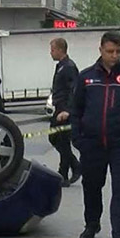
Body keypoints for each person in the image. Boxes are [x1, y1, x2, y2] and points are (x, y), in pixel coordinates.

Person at [65, 32, 120, 238]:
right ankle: (92, 224)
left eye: (118, 52)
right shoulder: (87, 77)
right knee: (92, 186)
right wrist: (77, 137)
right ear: (100, 49)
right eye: (110, 51)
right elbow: (76, 110)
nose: (114, 56)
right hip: (92, 143)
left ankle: (118, 237)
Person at [49, 37, 81, 187]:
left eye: (53, 49)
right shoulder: (61, 66)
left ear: (61, 50)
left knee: (62, 140)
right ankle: (75, 166)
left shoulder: (69, 66)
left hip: (64, 110)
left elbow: (74, 90)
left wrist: (68, 110)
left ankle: (64, 174)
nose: (51, 52)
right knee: (54, 138)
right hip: (59, 107)